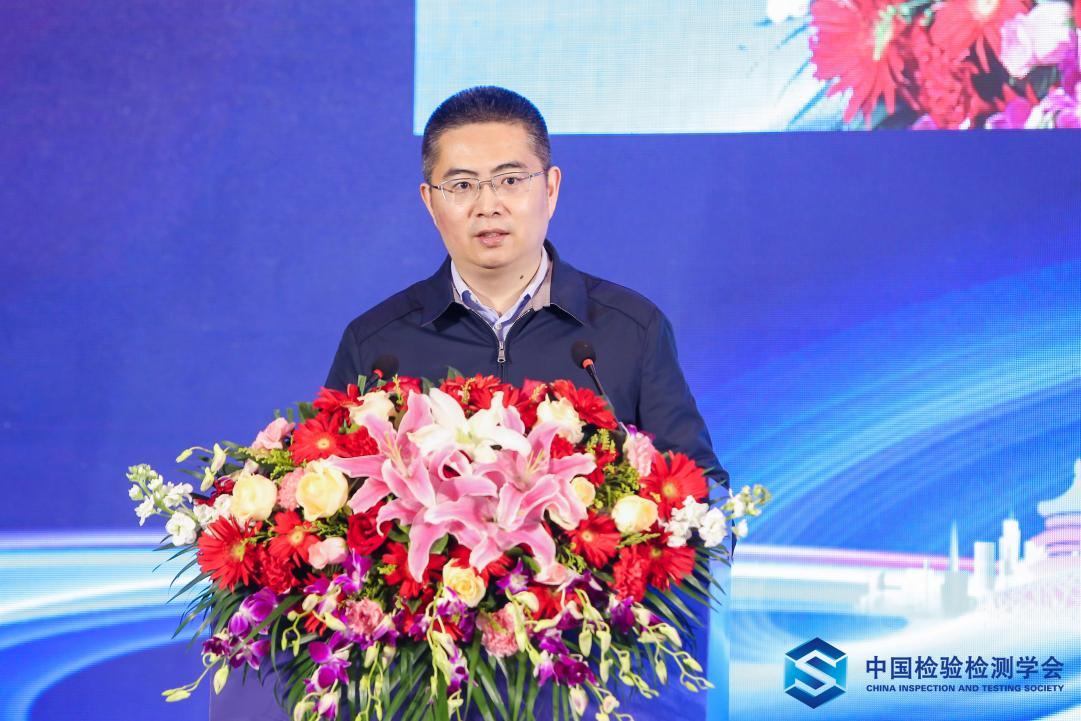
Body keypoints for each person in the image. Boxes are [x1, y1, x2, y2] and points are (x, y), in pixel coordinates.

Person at [211, 85, 727, 721]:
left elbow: (699, 492)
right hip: (419, 686)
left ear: (551, 188)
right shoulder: (377, 342)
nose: (488, 204)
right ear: (430, 202)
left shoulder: (628, 329)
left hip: (583, 680)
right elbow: (322, 498)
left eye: (510, 179)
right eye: (461, 185)